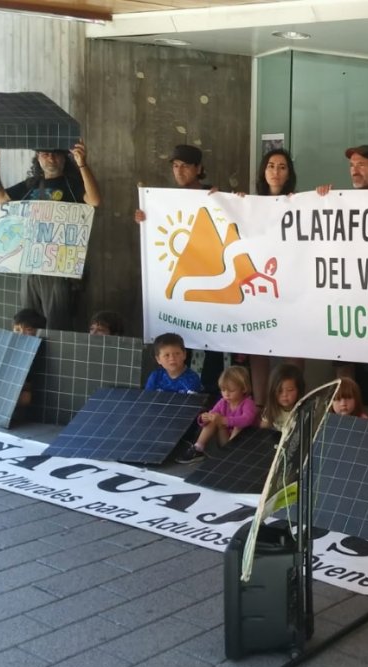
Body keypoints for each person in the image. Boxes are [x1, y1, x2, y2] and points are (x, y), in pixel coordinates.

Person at [315, 145, 368, 415]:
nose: (355, 170)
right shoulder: (338, 199)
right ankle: (346, 413)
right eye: (352, 165)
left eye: (362, 164)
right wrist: (320, 200)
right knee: (343, 356)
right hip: (344, 293)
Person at [135, 144, 224, 396]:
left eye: (185, 165)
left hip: (212, 285)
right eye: (175, 166)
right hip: (182, 287)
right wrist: (145, 219)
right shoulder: (163, 202)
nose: (179, 171)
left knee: (213, 347)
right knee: (186, 342)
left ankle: (211, 401)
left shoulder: (215, 194)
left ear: (199, 169)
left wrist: (227, 201)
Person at [0, 140, 101, 331]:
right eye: (45, 153)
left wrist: (82, 164)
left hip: (60, 269)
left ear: (65, 158)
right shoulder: (31, 185)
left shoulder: (73, 185)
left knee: (57, 325)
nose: (50, 158)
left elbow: (95, 200)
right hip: (30, 265)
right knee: (28, 323)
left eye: (56, 154)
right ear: (37, 157)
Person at [243, 148, 303, 408]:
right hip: (261, 291)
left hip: (293, 291)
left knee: (295, 351)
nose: (275, 171)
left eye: (282, 167)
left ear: (289, 173)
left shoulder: (303, 203)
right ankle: (259, 409)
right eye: (270, 166)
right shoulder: (248, 205)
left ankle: (296, 408)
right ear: (263, 171)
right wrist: (221, 203)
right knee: (259, 351)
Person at [179, 365, 257, 463]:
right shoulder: (223, 402)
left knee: (239, 426)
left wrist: (225, 420)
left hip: (242, 443)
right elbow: (212, 413)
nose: (226, 394)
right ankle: (198, 448)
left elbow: (247, 419)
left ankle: (231, 455)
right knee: (214, 419)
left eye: (231, 391)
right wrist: (204, 418)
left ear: (244, 389)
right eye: (223, 390)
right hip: (225, 441)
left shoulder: (248, 403)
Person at [259, 363, 305, 430]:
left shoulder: (304, 410)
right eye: (279, 391)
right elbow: (263, 428)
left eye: (290, 390)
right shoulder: (271, 408)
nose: (284, 395)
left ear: (299, 390)